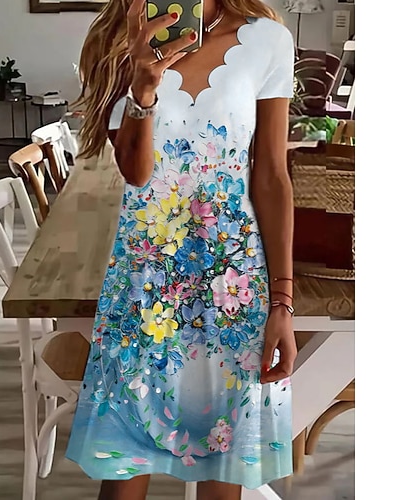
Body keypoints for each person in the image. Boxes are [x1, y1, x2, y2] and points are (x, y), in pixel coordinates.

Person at [66, 0, 298, 499]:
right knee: (123, 469)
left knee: (225, 468)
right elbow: (136, 173)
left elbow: (271, 177)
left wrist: (283, 301)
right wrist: (143, 90)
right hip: (143, 281)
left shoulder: (268, 40)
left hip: (233, 283)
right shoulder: (121, 39)